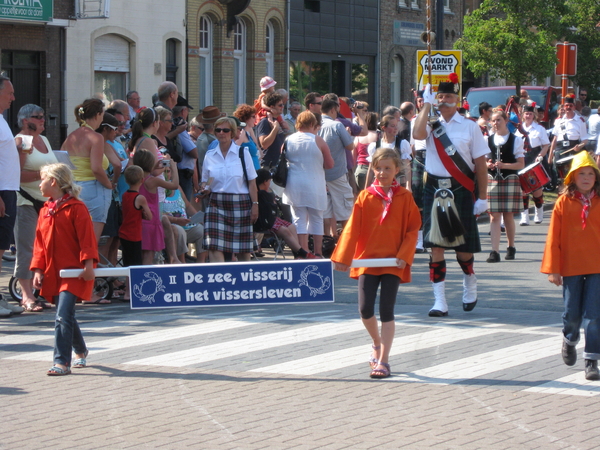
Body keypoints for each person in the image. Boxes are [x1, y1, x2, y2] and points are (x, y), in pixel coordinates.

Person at [331, 147, 421, 378]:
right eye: (378, 168)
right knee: (364, 309)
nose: (382, 173)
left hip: (393, 261)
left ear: (397, 170)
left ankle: (384, 360)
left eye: (387, 169)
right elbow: (352, 228)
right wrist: (342, 257)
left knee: (386, 310)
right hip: (367, 260)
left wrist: (404, 254)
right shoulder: (365, 196)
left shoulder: (405, 197)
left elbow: (413, 229)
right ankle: (376, 342)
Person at [412, 81, 489, 317]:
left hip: (461, 189)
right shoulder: (429, 124)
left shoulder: (470, 127)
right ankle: (440, 301)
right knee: (435, 246)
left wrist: (483, 198)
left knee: (462, 249)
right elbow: (417, 134)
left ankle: (469, 280)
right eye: (440, 96)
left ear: (457, 100)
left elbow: (480, 165)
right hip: (434, 188)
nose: (443, 100)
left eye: (448, 96)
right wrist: (426, 104)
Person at [31, 163, 97, 375]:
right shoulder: (45, 210)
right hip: (54, 271)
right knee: (65, 314)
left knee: (62, 315)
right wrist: (38, 269)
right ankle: (80, 350)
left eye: (42, 179)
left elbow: (87, 239)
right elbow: (39, 244)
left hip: (74, 271)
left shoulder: (77, 208)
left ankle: (61, 362)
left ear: (53, 182)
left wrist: (88, 265)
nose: (39, 184)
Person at [541, 151, 600, 381]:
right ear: (572, 177)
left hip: (596, 265)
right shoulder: (563, 203)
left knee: (594, 315)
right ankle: (569, 339)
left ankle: (592, 360)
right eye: (581, 174)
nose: (586, 178)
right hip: (571, 265)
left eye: (590, 174)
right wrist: (553, 268)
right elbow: (553, 237)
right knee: (572, 313)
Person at [13, 104, 58, 312]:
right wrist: (45, 175)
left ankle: (39, 290)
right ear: (24, 121)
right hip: (27, 202)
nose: (42, 120)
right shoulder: (21, 141)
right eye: (37, 117)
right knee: (27, 249)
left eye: (43, 116)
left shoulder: (45, 141)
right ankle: (26, 295)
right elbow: (16, 175)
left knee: (45, 249)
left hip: (48, 204)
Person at [200, 116, 258, 262]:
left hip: (240, 203)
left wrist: (255, 205)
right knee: (213, 245)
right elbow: (207, 181)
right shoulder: (209, 155)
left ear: (232, 133)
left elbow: (252, 182)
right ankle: (219, 279)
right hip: (216, 204)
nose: (221, 133)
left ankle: (245, 281)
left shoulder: (242, 153)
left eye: (225, 130)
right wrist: (205, 189)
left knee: (243, 249)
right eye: (218, 130)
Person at [282, 111, 334, 257]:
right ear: (312, 124)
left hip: (294, 183)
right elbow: (330, 164)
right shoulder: (318, 140)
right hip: (315, 184)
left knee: (299, 218)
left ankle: (303, 251)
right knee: (316, 218)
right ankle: (318, 252)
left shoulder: (288, 139)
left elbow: (282, 158)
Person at [62, 98, 112, 241]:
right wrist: (109, 185)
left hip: (73, 188)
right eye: (102, 114)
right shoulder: (96, 137)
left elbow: (61, 160)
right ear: (97, 115)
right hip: (93, 188)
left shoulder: (71, 136)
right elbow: (96, 168)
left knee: (73, 239)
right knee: (90, 241)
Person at [0, 76, 25, 317]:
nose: (13, 98)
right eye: (10, 93)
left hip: (9, 189)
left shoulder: (2, 120)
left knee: (2, 244)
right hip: (2, 191)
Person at [485, 110, 525, 262]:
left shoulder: (516, 140)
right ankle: (494, 251)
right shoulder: (488, 140)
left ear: (506, 120)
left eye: (498, 120)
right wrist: (489, 164)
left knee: (508, 215)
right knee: (494, 216)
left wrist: (504, 165)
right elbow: (484, 161)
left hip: (509, 179)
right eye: (493, 121)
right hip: (493, 179)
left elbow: (521, 164)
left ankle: (511, 246)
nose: (495, 123)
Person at [255, 169, 317, 259]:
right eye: (269, 181)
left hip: (272, 219)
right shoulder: (259, 194)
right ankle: (302, 253)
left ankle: (297, 254)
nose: (270, 183)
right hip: (264, 221)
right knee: (285, 231)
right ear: (265, 182)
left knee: (291, 227)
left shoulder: (268, 192)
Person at [132, 148, 179, 265]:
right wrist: (174, 168)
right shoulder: (152, 181)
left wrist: (155, 166)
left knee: (140, 255)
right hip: (151, 221)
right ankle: (144, 280)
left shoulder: (136, 179)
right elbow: (174, 185)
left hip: (139, 220)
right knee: (149, 254)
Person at [516, 105, 551, 225]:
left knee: (536, 189)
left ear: (534, 115)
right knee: (523, 190)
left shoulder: (539, 129)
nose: (528, 116)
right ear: (523, 115)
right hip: (522, 158)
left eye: (530, 114)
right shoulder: (519, 129)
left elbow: (546, 145)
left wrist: (541, 156)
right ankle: (524, 216)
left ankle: (538, 212)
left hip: (535, 157)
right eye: (526, 114)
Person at [119, 165, 152, 268]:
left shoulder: (125, 195)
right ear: (142, 180)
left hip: (124, 233)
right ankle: (133, 284)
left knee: (127, 263)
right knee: (135, 264)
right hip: (134, 235)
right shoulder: (140, 198)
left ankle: (128, 283)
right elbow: (150, 216)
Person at [354, 112, 379, 190]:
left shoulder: (358, 137)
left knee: (361, 197)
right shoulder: (379, 135)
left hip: (360, 169)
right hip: (373, 170)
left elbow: (353, 157)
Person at [234, 104, 260, 170]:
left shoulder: (249, 131)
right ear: (246, 118)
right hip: (247, 172)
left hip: (255, 171)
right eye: (253, 117)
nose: (256, 118)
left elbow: (257, 146)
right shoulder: (241, 133)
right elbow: (233, 149)